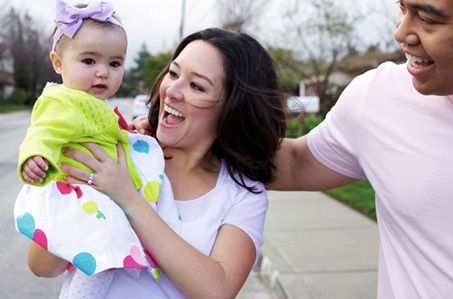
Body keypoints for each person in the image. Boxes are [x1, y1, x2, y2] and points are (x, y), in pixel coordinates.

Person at [269, 0, 453, 298]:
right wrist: (173, 140)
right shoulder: (378, 98)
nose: (401, 32)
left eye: (427, 19)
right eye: (402, 6)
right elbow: (294, 164)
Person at [25, 28, 287, 298]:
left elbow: (218, 290)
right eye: (173, 74)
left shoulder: (242, 195)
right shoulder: (121, 150)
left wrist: (127, 197)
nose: (171, 90)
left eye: (196, 85)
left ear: (234, 107)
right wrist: (86, 194)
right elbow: (42, 266)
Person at [14, 0, 180, 297]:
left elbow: (104, 134)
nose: (103, 72)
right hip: (84, 195)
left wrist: (131, 129)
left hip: (101, 194)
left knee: (103, 259)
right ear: (58, 63)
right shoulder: (60, 101)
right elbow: (43, 131)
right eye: (89, 61)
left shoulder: (93, 104)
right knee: (101, 263)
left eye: (114, 63)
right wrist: (35, 156)